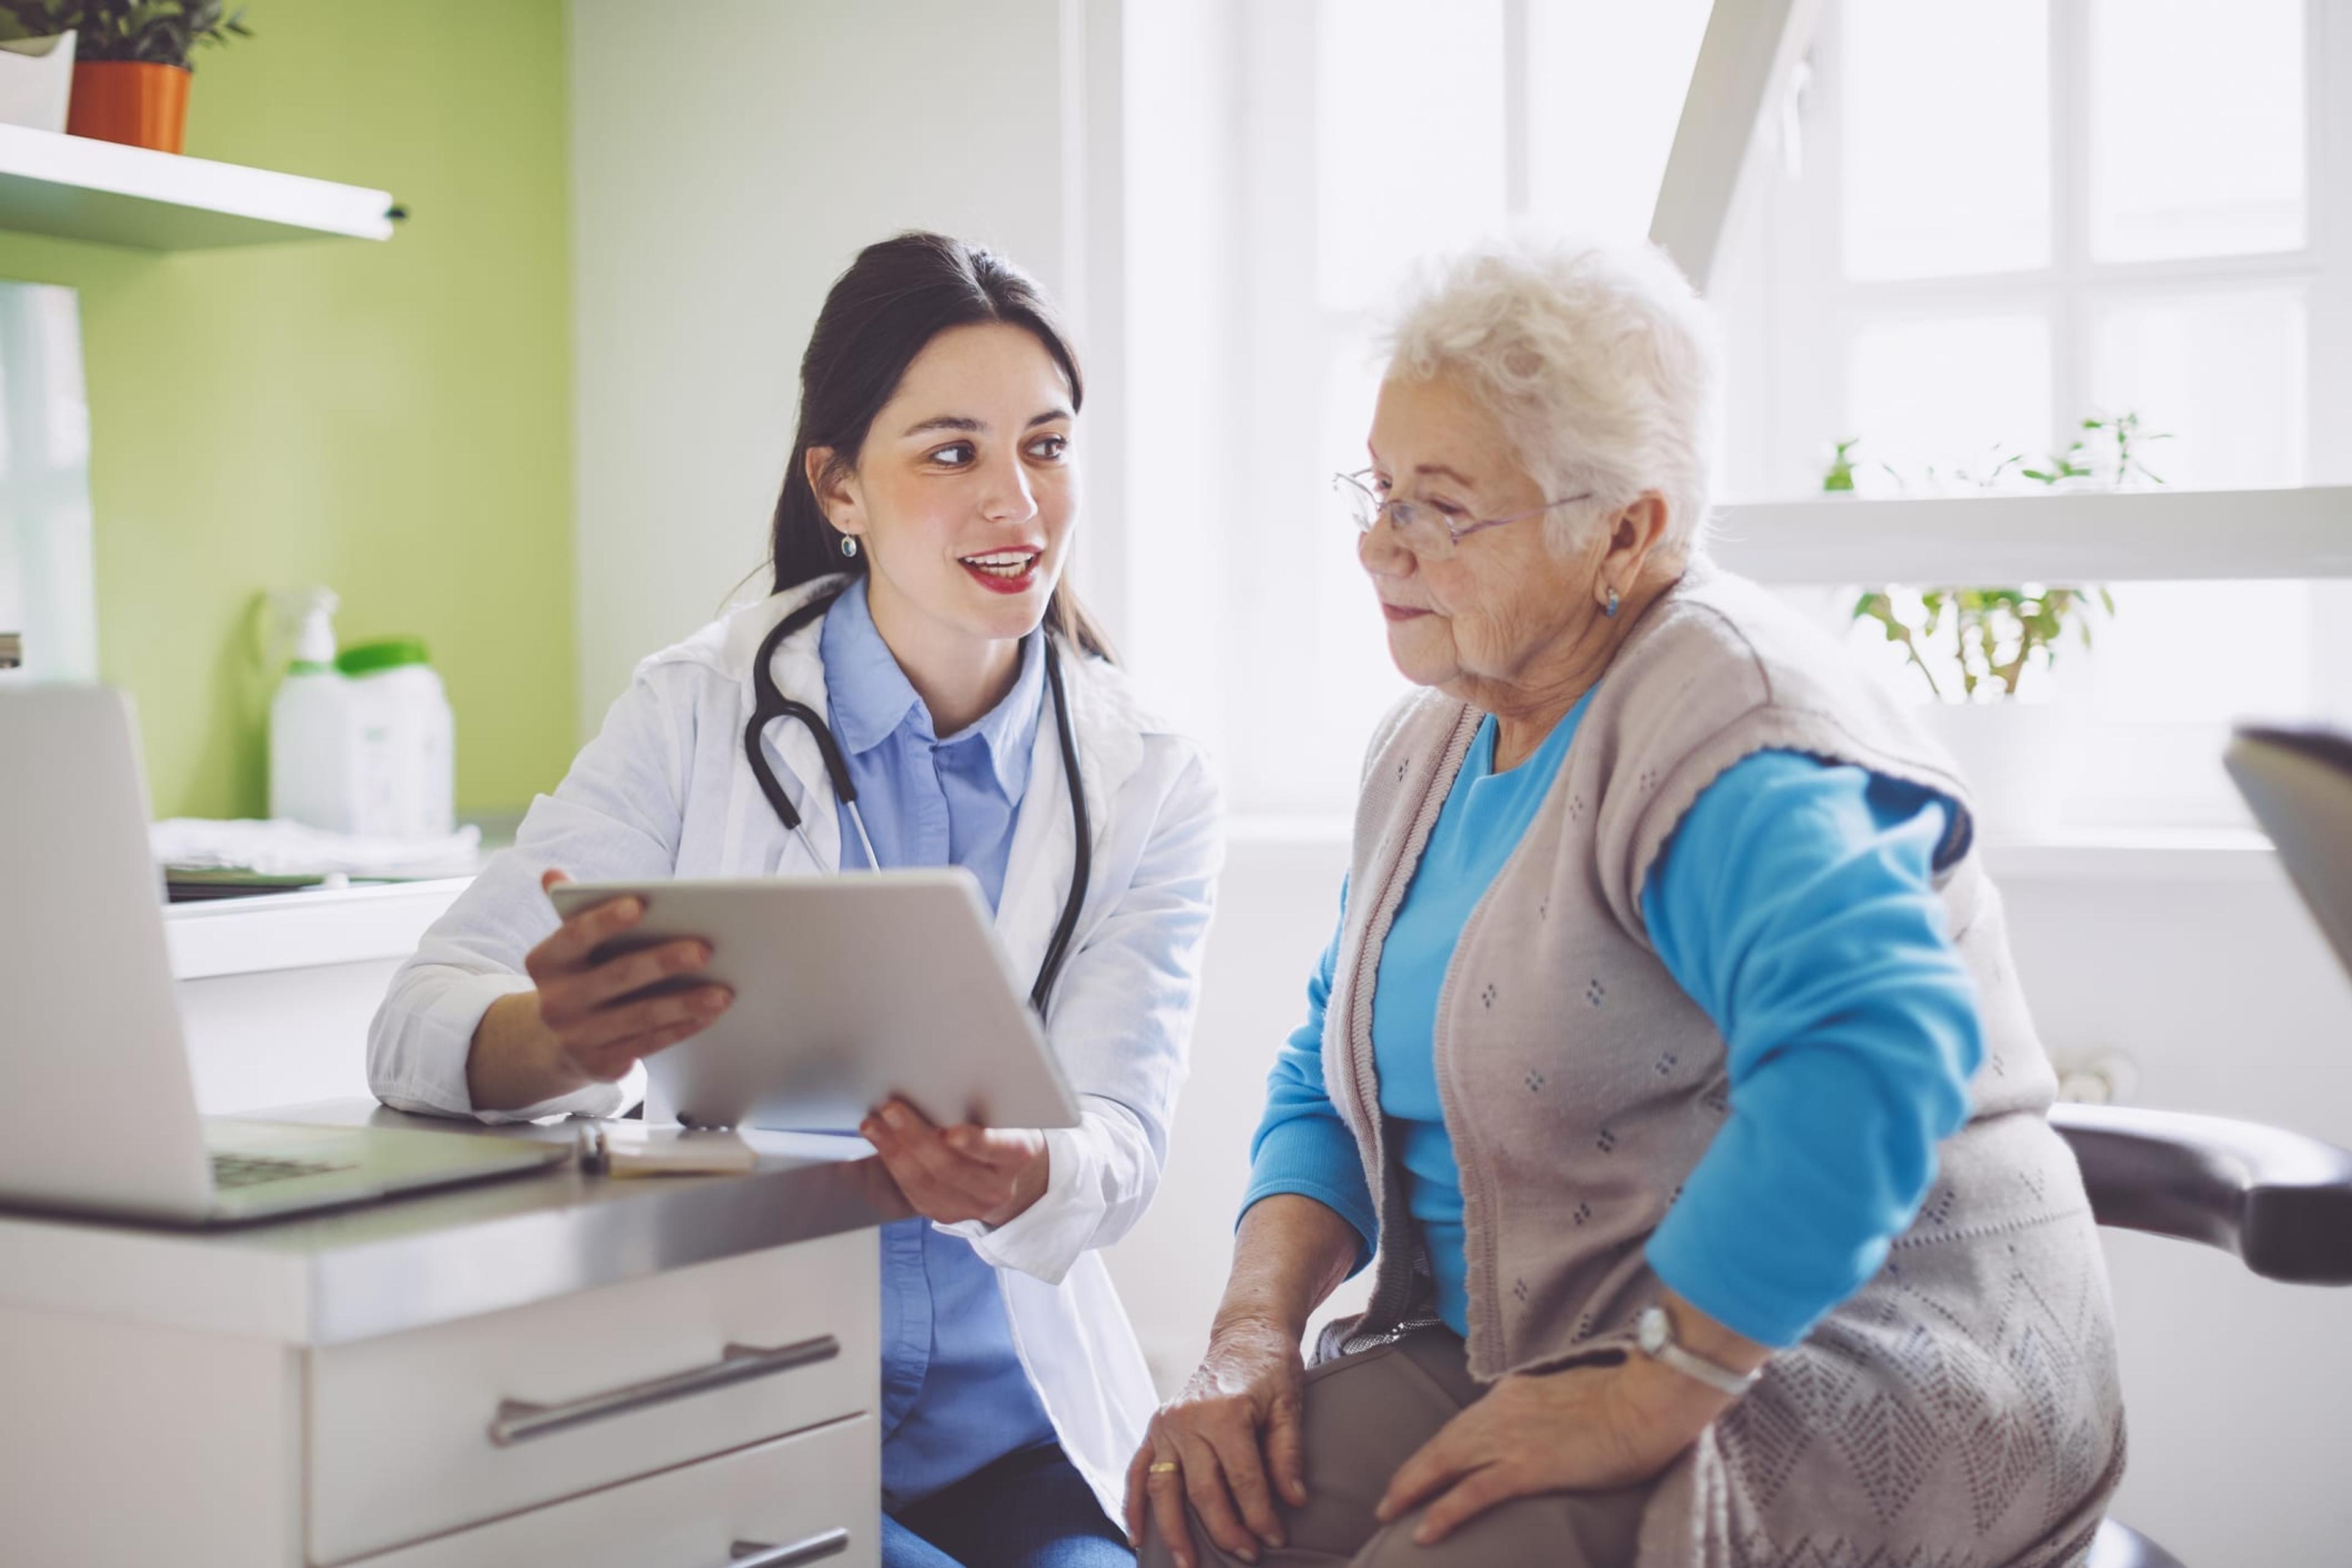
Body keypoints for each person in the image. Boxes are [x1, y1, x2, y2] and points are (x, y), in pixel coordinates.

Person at [1130, 235, 2123, 1568]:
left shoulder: (1728, 719)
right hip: (1539, 1339)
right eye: (1376, 488)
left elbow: (1878, 1047)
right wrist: (1251, 1330)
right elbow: (1330, 1064)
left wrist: (1652, 1385)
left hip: (1838, 1354)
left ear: (1626, 529)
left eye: (1440, 503)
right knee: (1208, 1521)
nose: (1379, 542)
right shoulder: (1432, 737)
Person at [368, 231, 1221, 1568]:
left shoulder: (1148, 778)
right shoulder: (698, 709)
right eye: (953, 452)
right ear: (840, 485)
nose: (1017, 501)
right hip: (755, 1398)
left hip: (1023, 1436)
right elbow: (417, 1015)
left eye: (1046, 447)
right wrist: (560, 1036)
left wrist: (1023, 1167)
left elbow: (1121, 1133)